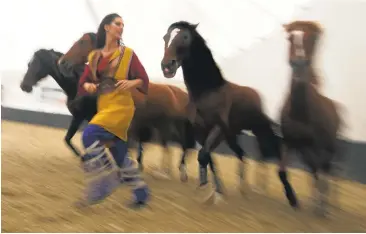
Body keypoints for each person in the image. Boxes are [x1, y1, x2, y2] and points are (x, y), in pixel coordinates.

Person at [78, 13, 150, 208]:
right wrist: (89, 87)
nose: (121, 27)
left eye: (123, 25)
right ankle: (141, 194)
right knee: (120, 154)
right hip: (105, 106)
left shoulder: (128, 54)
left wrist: (131, 81)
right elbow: (84, 81)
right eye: (117, 24)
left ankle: (107, 178)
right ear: (107, 27)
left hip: (122, 107)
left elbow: (143, 79)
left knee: (89, 134)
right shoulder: (94, 56)